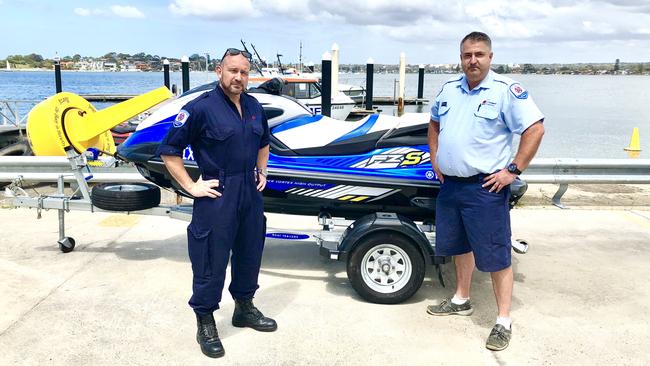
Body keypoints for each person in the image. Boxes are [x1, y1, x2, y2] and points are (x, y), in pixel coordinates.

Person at [426, 32, 544, 351]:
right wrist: (436, 157)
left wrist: (513, 171)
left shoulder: (506, 91)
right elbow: (434, 123)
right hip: (451, 186)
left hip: (485, 189)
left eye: (479, 54)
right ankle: (461, 298)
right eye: (467, 55)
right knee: (460, 247)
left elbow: (535, 129)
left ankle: (503, 320)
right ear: (461, 58)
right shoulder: (449, 89)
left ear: (490, 57)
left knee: (495, 255)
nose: (472, 60)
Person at [157, 48, 276, 358]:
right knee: (210, 259)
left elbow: (263, 142)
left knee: (250, 253)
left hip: (249, 193)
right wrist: (191, 186)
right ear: (219, 71)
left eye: (244, 72)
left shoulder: (253, 107)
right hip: (217, 192)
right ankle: (205, 320)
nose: (238, 77)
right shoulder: (200, 109)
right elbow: (170, 151)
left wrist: (262, 171)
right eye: (232, 70)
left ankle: (244, 308)